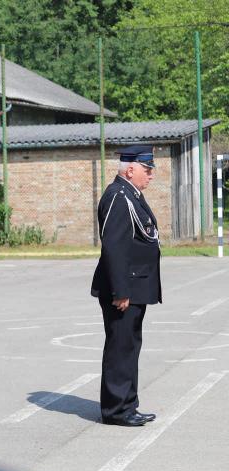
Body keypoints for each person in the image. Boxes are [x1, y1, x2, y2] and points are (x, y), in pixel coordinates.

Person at [91, 145, 161, 427]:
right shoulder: (118, 197)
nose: (151, 174)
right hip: (123, 291)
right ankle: (116, 410)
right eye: (148, 169)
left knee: (129, 347)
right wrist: (120, 291)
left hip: (134, 287)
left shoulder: (130, 194)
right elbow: (114, 248)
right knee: (120, 348)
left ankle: (128, 404)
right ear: (130, 169)